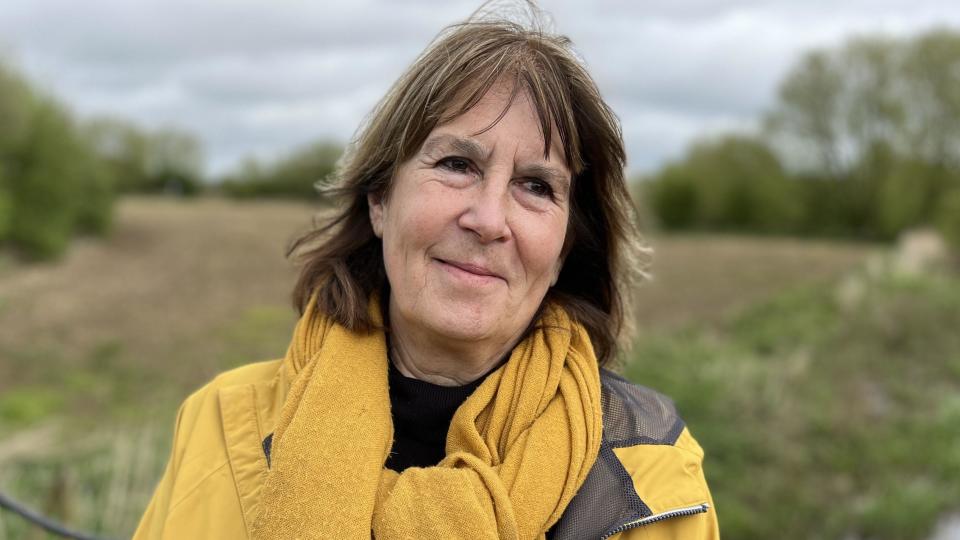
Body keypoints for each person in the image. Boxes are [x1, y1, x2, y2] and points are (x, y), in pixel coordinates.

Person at [134, 6, 718, 540]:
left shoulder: (651, 471)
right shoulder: (221, 420)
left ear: (566, 245)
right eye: (457, 164)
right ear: (380, 200)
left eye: (536, 186)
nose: (489, 220)